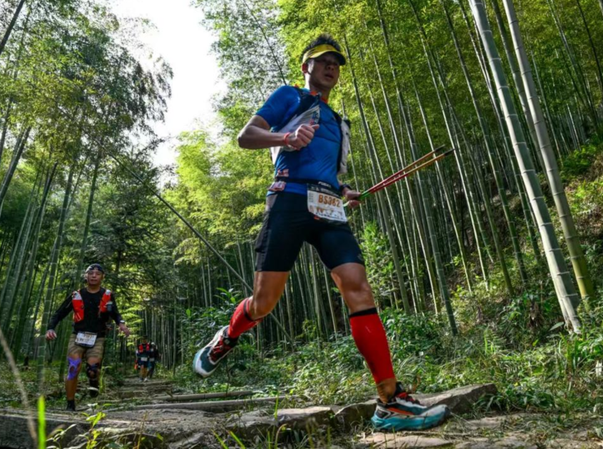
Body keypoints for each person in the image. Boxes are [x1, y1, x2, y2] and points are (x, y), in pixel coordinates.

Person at [191, 34, 449, 431]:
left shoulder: (337, 121)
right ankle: (229, 334)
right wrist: (285, 137)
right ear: (306, 66)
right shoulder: (289, 97)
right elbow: (246, 137)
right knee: (264, 303)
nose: (331, 67)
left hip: (328, 207)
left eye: (336, 63)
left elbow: (326, 170)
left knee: (358, 288)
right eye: (323, 60)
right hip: (289, 201)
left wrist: (345, 190)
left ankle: (390, 400)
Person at [46, 263, 130, 411]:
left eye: (97, 273)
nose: (93, 276)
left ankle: (93, 382)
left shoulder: (107, 295)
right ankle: (70, 404)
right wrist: (50, 328)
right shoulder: (76, 295)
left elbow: (115, 313)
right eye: (91, 273)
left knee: (92, 368)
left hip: (98, 336)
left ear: (102, 277)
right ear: (86, 276)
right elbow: (59, 313)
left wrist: (121, 324)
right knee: (73, 367)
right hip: (77, 336)